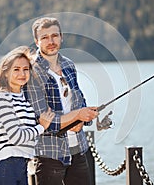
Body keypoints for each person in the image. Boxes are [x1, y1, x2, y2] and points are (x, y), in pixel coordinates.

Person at [23, 17, 99, 185]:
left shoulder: (69, 65)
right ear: (36, 41)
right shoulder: (32, 72)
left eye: (54, 36)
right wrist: (77, 115)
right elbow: (44, 120)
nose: (51, 41)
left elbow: (79, 99)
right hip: (49, 153)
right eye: (44, 37)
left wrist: (82, 118)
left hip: (78, 149)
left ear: (61, 37)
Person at [0, 46, 54, 185]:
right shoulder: (2, 97)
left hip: (22, 166)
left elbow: (29, 138)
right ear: (5, 73)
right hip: (6, 167)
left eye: (25, 69)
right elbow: (16, 136)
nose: (22, 73)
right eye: (16, 69)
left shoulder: (24, 99)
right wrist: (41, 127)